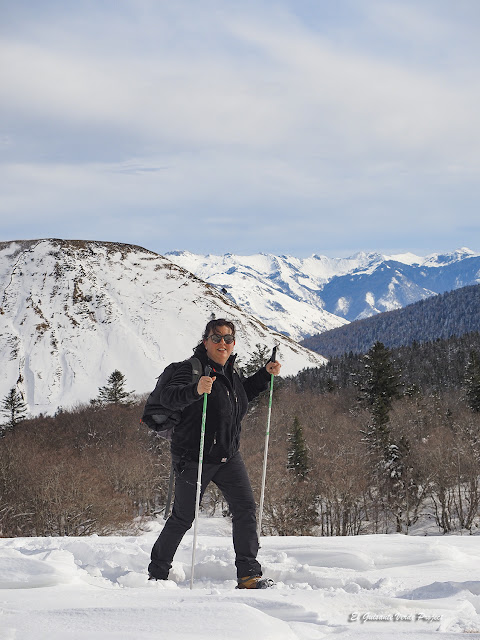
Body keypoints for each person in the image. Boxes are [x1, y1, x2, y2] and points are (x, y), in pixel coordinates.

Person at [148, 318, 281, 589]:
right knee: (183, 517)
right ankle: (157, 573)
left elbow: (241, 395)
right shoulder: (191, 370)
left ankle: (248, 575)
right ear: (205, 340)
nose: (223, 343)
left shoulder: (230, 371)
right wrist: (195, 390)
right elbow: (170, 398)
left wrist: (264, 375)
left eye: (228, 338)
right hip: (193, 456)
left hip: (228, 456)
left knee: (245, 509)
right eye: (217, 337)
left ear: (233, 343)